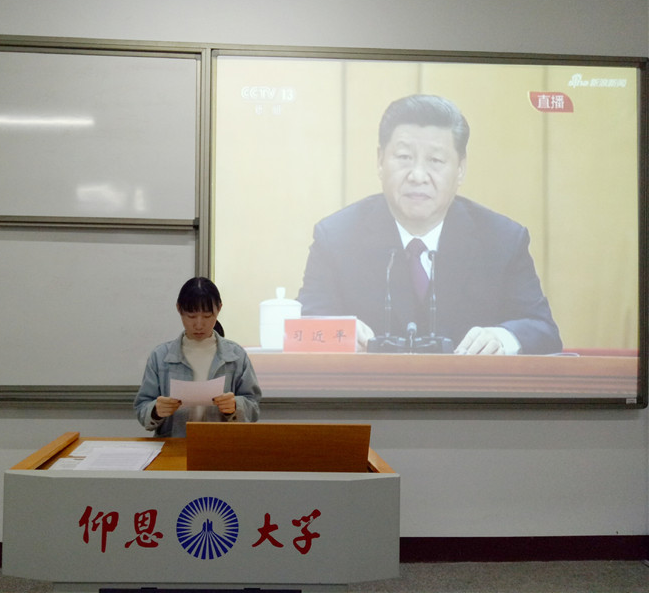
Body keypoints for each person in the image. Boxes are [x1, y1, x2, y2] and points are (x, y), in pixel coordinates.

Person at [297, 94, 562, 355]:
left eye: (435, 161)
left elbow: (543, 330)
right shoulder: (336, 238)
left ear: (460, 169)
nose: (418, 176)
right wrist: (338, 333)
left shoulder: (502, 240)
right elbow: (301, 327)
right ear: (380, 161)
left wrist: (503, 338)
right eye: (404, 157)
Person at [134, 277, 261, 436]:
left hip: (220, 444)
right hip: (174, 444)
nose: (199, 325)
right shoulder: (160, 356)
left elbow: (254, 407)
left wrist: (236, 406)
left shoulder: (236, 356)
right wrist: (155, 410)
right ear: (179, 309)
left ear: (219, 309)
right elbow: (141, 407)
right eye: (191, 316)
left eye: (207, 316)